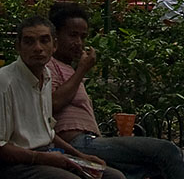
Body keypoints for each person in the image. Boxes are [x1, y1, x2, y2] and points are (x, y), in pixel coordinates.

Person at [48, 4, 184, 179]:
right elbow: (53, 103)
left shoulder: (69, 68)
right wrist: (82, 70)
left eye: (83, 37)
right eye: (72, 35)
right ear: (55, 36)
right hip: (75, 144)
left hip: (92, 141)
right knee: (167, 150)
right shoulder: (50, 65)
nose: (78, 43)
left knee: (153, 167)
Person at [0, 14, 120, 179]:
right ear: (18, 47)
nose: (38, 48)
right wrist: (42, 158)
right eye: (29, 42)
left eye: (44, 41)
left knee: (112, 176)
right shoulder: (5, 82)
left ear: (54, 45)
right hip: (14, 164)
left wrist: (80, 156)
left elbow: (47, 133)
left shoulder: (46, 76)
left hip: (46, 154)